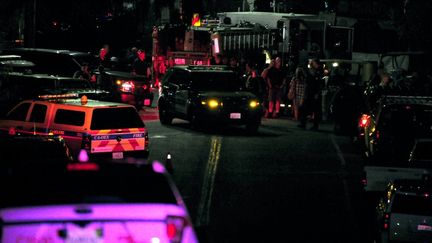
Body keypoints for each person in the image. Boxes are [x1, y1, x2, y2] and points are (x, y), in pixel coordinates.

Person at [302, 58, 324, 130]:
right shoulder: (311, 70)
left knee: (316, 110)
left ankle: (315, 125)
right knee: (305, 108)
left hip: (315, 93)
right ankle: (303, 123)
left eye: (313, 62)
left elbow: (320, 84)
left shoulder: (319, 71)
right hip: (310, 92)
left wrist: (317, 93)